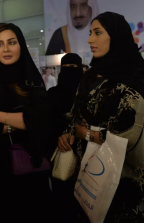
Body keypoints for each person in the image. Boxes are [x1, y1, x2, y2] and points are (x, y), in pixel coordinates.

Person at [58, 12, 144, 222]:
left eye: (97, 33)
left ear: (115, 37)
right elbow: (75, 115)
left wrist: (85, 134)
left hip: (121, 181)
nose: (90, 39)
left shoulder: (136, 78)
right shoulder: (89, 76)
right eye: (90, 33)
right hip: (86, 177)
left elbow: (130, 136)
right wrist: (68, 134)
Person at [0, 23, 53, 222]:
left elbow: (44, 122)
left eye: (11, 42)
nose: (5, 49)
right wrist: (20, 122)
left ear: (21, 45)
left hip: (31, 168)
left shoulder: (32, 80)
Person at [47, 53, 83, 222]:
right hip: (60, 152)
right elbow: (46, 122)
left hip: (85, 153)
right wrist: (58, 136)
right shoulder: (52, 94)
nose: (69, 71)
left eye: (73, 67)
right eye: (66, 67)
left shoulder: (88, 92)